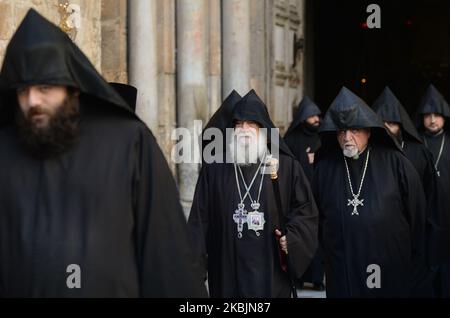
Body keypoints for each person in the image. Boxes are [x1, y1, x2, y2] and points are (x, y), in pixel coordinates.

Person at [0, 9, 206, 298]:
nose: (32, 101)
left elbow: (166, 259)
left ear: (71, 88)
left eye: (44, 86)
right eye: (23, 90)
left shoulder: (129, 143)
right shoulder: (6, 153)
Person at [188, 89, 318, 297]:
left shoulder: (286, 166)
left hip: (270, 272)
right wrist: (193, 273)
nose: (244, 130)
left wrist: (292, 238)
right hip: (226, 269)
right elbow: (199, 221)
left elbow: (305, 211)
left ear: (263, 129)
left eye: (251, 124)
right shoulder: (215, 168)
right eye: (238, 125)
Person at [313, 87, 428, 297]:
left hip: (384, 265)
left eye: (354, 130)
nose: (347, 137)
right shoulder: (324, 169)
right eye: (341, 131)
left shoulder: (397, 164)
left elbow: (417, 219)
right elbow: (315, 219)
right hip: (342, 265)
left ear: (368, 130)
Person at [284, 96, 324, 291]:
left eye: (317, 115)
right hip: (297, 199)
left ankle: (316, 278)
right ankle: (298, 275)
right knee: (299, 235)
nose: (317, 119)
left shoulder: (323, 138)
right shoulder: (291, 140)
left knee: (318, 238)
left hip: (318, 196)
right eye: (312, 116)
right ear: (303, 118)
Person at [416, 84, 450, 297]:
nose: (432, 120)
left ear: (445, 116)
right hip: (423, 213)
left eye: (436, 115)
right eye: (428, 115)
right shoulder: (416, 143)